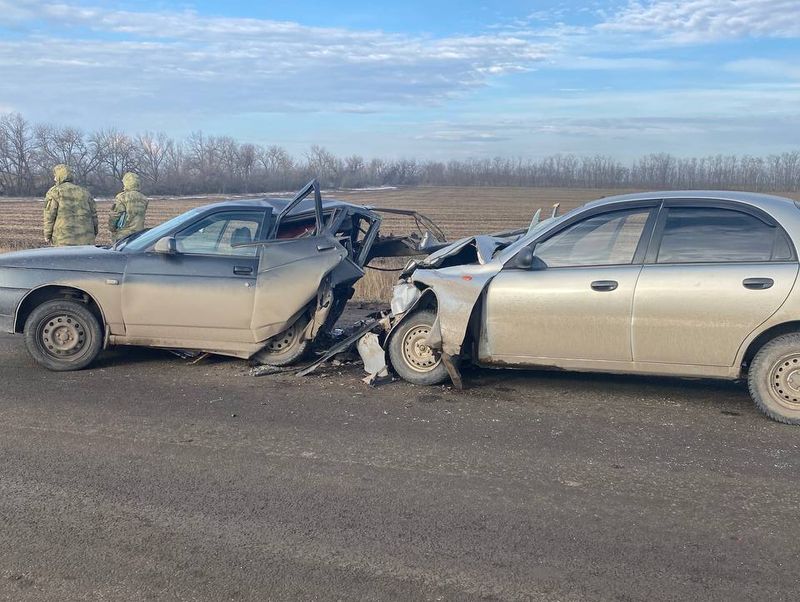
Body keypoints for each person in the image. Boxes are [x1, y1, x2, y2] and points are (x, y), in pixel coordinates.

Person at [43, 164, 98, 246]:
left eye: (55, 176)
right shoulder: (84, 192)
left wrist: (47, 235)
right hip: (86, 239)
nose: (54, 179)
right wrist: (94, 232)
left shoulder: (54, 192)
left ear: (59, 176)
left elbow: (50, 216)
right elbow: (94, 215)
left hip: (63, 239)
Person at [108, 172, 149, 242]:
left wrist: (112, 228)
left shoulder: (121, 197)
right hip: (138, 235)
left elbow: (115, 216)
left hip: (123, 236)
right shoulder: (144, 198)